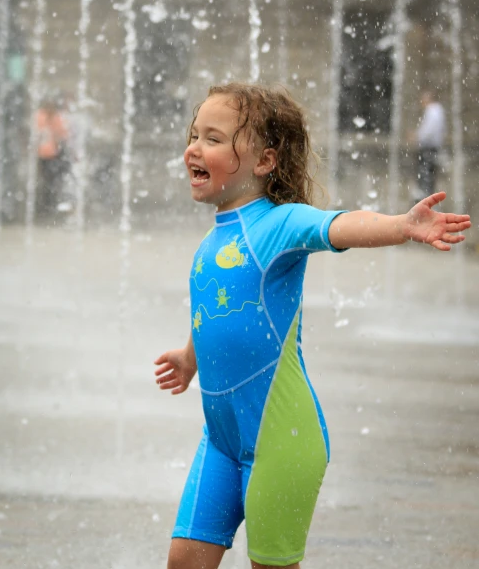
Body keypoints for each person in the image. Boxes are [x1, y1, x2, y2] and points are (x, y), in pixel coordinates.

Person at [154, 82, 470, 569]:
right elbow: (219, 312)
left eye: (213, 139)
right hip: (219, 440)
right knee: (183, 560)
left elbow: (337, 225)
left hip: (282, 440)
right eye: (195, 135)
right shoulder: (210, 243)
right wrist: (189, 356)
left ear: (264, 161)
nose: (193, 148)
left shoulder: (279, 224)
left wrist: (402, 226)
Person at [35, 98, 70, 217]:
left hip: (54, 155)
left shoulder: (56, 118)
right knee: (46, 181)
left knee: (53, 181)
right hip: (43, 155)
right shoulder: (40, 116)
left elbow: (62, 135)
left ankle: (51, 204)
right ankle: (45, 205)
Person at [414, 90, 446, 199]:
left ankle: (425, 197)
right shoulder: (438, 110)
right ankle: (427, 195)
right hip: (433, 147)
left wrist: (417, 136)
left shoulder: (432, 111)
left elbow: (429, 130)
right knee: (429, 174)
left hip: (429, 147)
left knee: (425, 174)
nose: (421, 101)